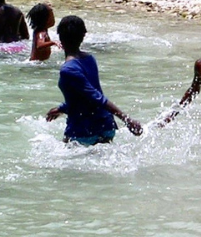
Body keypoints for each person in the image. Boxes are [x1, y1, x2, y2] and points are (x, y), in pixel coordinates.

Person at [45, 15, 143, 145]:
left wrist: (126, 119)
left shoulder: (67, 70)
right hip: (106, 125)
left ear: (60, 38)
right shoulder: (89, 58)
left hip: (83, 131)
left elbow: (94, 96)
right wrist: (63, 108)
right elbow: (85, 96)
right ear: (83, 35)